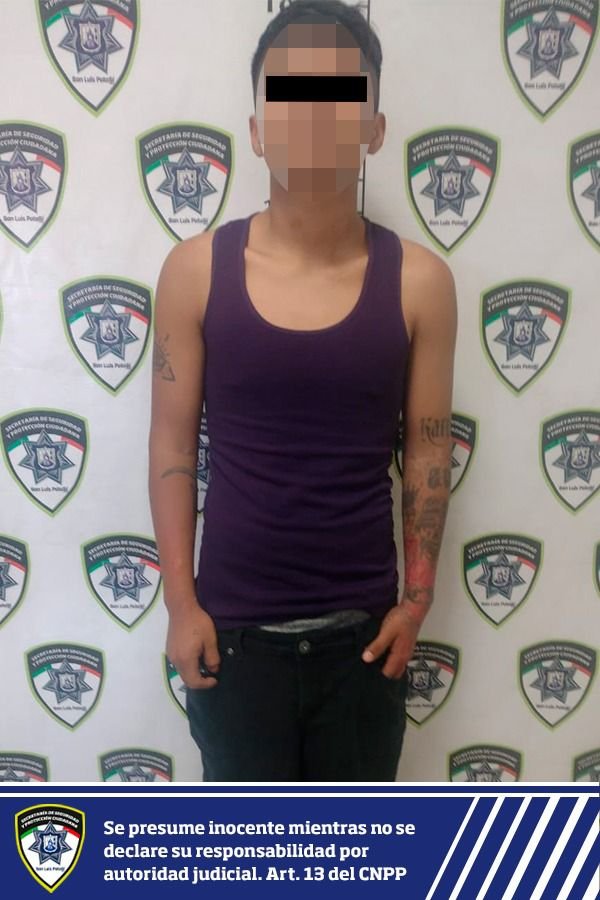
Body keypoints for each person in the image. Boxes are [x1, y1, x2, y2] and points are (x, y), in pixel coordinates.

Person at [148, 0, 457, 782]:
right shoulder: (194, 272)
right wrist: (180, 605)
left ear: (374, 128)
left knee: (352, 846)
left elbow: (428, 456)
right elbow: (173, 446)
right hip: (232, 642)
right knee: (250, 847)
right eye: (290, 94)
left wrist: (416, 603)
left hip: (365, 645)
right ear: (257, 129)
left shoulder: (421, 283)